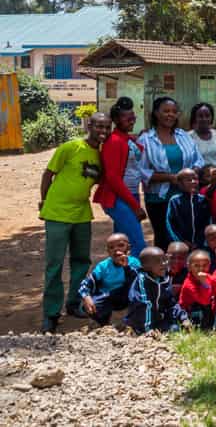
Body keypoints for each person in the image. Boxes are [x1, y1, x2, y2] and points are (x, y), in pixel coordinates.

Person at [39, 111, 111, 332]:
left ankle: (73, 304)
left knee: (81, 261)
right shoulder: (70, 148)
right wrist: (44, 202)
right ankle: (51, 313)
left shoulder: (101, 155)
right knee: (55, 265)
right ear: (89, 125)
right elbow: (48, 174)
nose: (103, 131)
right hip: (57, 213)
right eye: (99, 126)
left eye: (107, 128)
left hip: (81, 214)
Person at [139, 96, 204, 250]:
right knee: (164, 239)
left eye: (174, 111)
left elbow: (198, 160)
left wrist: (190, 175)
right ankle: (163, 272)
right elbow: (142, 172)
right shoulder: (146, 139)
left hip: (185, 198)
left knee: (186, 237)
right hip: (159, 199)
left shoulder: (184, 136)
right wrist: (172, 178)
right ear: (155, 113)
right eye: (166, 111)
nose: (170, 115)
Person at [96, 97, 147, 257]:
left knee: (122, 246)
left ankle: (120, 279)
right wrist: (135, 206)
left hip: (130, 195)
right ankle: (139, 280)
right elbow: (113, 178)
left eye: (133, 116)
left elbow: (136, 152)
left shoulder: (125, 138)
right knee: (138, 245)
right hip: (118, 198)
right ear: (116, 119)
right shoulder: (114, 141)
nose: (131, 119)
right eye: (127, 117)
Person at [77, 233, 140, 326]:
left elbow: (139, 281)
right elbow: (86, 284)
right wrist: (86, 297)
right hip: (109, 296)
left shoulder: (134, 262)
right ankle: (102, 321)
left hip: (129, 295)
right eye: (111, 247)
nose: (116, 249)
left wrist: (126, 267)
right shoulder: (103, 266)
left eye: (121, 245)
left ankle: (134, 321)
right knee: (90, 305)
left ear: (128, 248)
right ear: (108, 252)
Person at [125, 246, 186, 333]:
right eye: (158, 261)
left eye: (164, 260)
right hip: (141, 321)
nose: (163, 263)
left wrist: (183, 317)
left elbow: (171, 303)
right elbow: (144, 306)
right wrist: (148, 330)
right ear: (145, 266)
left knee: (175, 328)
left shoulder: (164, 278)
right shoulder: (142, 281)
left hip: (158, 318)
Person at [166, 168, 212, 249]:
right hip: (181, 245)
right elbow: (170, 224)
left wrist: (200, 241)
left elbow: (207, 221)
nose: (193, 182)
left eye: (195, 179)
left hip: (200, 244)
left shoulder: (203, 200)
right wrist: (181, 241)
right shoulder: (175, 201)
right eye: (189, 180)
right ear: (180, 184)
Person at [178, 250, 214, 329]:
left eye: (205, 265)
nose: (201, 268)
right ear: (189, 267)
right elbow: (204, 301)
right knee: (200, 306)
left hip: (204, 307)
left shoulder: (208, 277)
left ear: (209, 266)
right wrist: (204, 283)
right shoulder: (188, 283)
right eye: (196, 265)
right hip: (188, 311)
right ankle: (199, 327)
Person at [189, 102, 216, 170]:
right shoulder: (188, 137)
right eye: (200, 116)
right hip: (198, 176)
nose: (204, 119)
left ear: (212, 117)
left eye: (207, 116)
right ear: (195, 118)